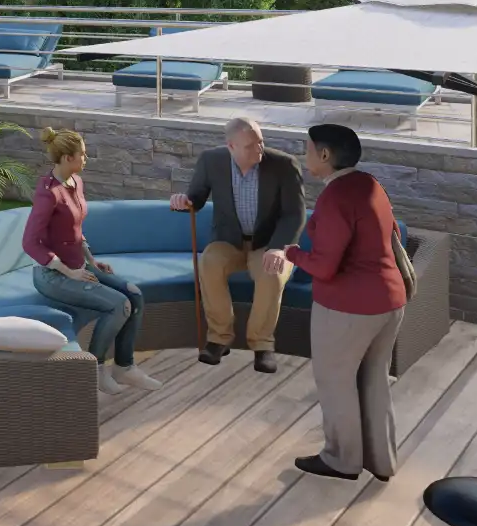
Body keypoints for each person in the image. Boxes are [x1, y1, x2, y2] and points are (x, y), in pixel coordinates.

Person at [263, 123, 407, 482]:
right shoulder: (370, 184)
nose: (305, 155)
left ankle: (342, 460)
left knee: (336, 382)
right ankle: (382, 461)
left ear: (325, 155)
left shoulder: (335, 197)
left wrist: (292, 253)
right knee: (374, 380)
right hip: (389, 302)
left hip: (349, 308)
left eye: (308, 149)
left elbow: (325, 266)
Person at [23, 129, 160, 395]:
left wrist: (90, 260)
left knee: (134, 295)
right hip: (53, 275)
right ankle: (95, 370)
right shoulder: (48, 193)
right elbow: (29, 242)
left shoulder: (75, 182)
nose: (86, 159)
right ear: (67, 158)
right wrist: (67, 271)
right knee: (119, 305)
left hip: (79, 266)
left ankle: (124, 367)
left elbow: (74, 229)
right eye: (82, 155)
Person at [170, 116, 305, 372]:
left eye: (261, 141)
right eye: (250, 145)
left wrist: (279, 248)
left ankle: (262, 345)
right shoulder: (211, 161)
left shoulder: (284, 165)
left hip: (269, 243)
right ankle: (218, 339)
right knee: (209, 263)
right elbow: (196, 197)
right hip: (229, 241)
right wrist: (184, 201)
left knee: (271, 273)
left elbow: (294, 215)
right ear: (231, 146)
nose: (259, 148)